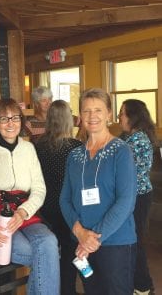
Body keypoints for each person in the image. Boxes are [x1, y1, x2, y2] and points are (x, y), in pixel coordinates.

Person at [0, 98, 60, 295]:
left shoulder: (28, 149)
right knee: (44, 254)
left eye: (15, 118)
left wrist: (23, 212)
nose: (10, 123)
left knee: (49, 242)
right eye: (4, 119)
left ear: (21, 121)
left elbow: (39, 189)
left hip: (26, 217)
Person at [60, 88, 137, 295]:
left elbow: (126, 201)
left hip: (115, 243)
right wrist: (80, 233)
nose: (92, 116)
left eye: (98, 110)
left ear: (109, 114)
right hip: (82, 244)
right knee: (92, 290)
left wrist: (94, 239)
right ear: (80, 116)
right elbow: (65, 200)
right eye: (86, 111)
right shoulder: (74, 156)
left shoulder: (121, 151)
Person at [35, 100, 83, 295]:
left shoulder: (38, 145)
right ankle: (68, 290)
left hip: (45, 206)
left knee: (51, 252)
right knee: (70, 251)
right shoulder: (76, 147)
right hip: (68, 207)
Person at [118, 99, 156, 295]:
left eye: (122, 113)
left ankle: (143, 286)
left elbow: (124, 171)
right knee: (133, 241)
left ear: (132, 117)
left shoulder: (137, 140)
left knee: (136, 241)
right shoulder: (129, 137)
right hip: (135, 196)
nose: (119, 117)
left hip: (138, 197)